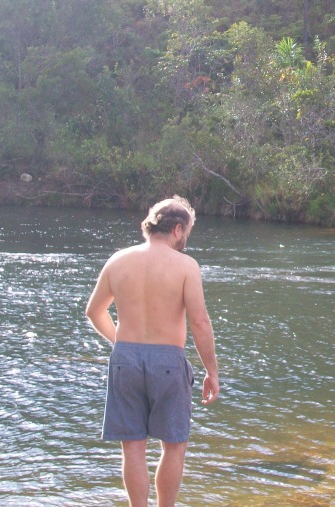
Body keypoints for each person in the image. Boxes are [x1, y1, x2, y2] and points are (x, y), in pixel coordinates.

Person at [85, 195, 220, 507]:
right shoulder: (186, 266)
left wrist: (120, 342)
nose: (186, 239)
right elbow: (199, 322)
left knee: (132, 447)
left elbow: (94, 311)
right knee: (173, 445)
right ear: (176, 230)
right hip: (168, 362)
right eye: (186, 232)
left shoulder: (118, 260)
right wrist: (211, 372)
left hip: (125, 359)